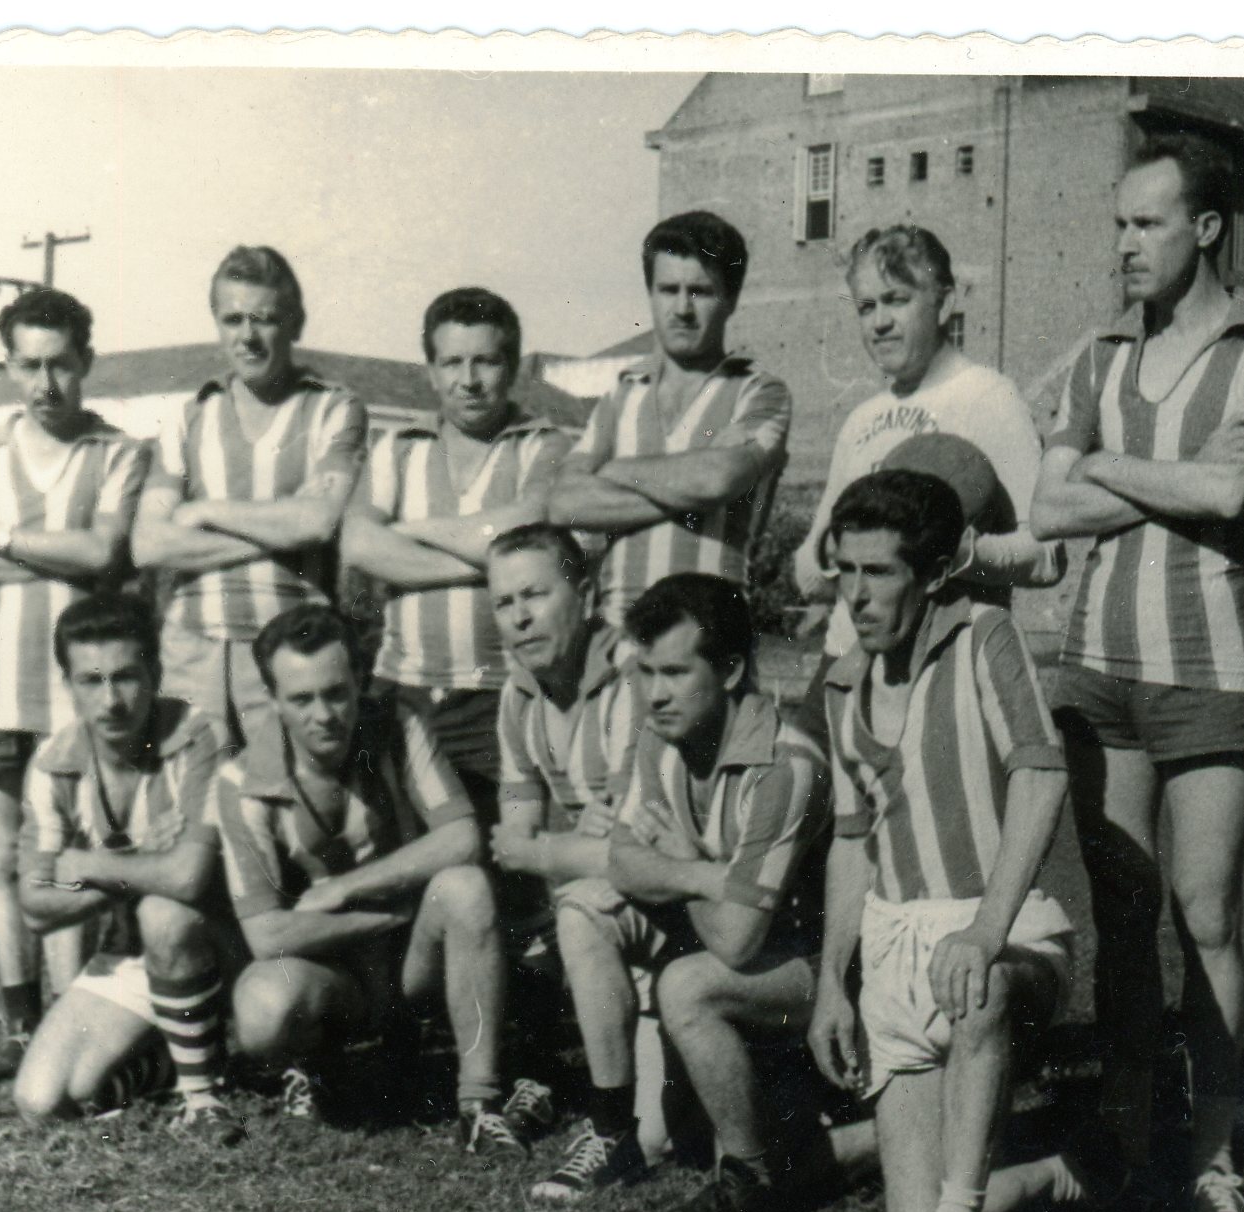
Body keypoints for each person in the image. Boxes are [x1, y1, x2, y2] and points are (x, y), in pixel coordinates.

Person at [1030, 131, 1244, 1212]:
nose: (1126, 245)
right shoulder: (1099, 354)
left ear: (1207, 228)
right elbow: (1048, 508)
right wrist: (1161, 479)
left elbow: (1231, 495)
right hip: (1098, 665)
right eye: (1119, 224)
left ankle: (1214, 1152)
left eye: (1147, 223)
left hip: (1210, 665)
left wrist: (1101, 462)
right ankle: (1130, 1135)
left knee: (1206, 913)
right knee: (1124, 915)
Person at [807, 470, 1087, 1212]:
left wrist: (984, 932)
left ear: (932, 574)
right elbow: (851, 843)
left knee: (980, 990)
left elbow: (1042, 776)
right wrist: (831, 984)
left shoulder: (983, 636)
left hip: (999, 933)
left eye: (879, 572)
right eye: (844, 571)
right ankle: (1055, 1172)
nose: (856, 594)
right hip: (894, 952)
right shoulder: (841, 683)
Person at [208, 604, 548, 1153]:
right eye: (301, 699)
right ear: (273, 700)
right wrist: (390, 913)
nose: (324, 715)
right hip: (333, 972)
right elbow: (266, 935)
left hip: (411, 959)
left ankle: (479, 1104)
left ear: (360, 682)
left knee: (466, 888)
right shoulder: (241, 780)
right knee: (262, 1009)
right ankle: (319, 1064)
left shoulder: (398, 723)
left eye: (336, 693)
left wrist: (346, 888)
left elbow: (462, 836)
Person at [544, 573, 830, 1212]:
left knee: (687, 986)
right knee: (583, 908)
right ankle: (612, 1125)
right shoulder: (662, 735)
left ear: (730, 671)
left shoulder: (783, 765)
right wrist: (704, 875)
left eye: (675, 672)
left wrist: (681, 863)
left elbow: (737, 941)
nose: (654, 694)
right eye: (645, 672)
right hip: (724, 926)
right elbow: (622, 861)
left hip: (818, 970)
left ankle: (751, 1175)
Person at [0, 287, 151, 1085]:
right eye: (28, 365)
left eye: (59, 364)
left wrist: (0, 535)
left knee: (71, 856)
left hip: (79, 690)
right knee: (4, 856)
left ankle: (72, 1022)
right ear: (7, 366)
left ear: (85, 362)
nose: (44, 383)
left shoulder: (116, 453)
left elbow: (103, 554)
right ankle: (19, 1028)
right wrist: (57, 553)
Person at [10, 594, 245, 1144]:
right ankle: (180, 1054)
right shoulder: (53, 763)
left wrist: (87, 865)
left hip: (223, 944)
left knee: (166, 912)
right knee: (44, 1100)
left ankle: (201, 1096)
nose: (111, 701)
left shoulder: (198, 735)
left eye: (126, 677)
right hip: (131, 951)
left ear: (156, 674)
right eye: (91, 681)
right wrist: (137, 860)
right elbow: (36, 905)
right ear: (68, 685)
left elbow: (188, 879)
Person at [476, 524, 668, 1198]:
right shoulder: (517, 693)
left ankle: (609, 1127)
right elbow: (513, 833)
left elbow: (628, 848)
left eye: (535, 594)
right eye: (504, 603)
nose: (520, 617)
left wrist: (547, 849)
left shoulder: (631, 676)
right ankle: (548, 1074)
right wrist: (561, 846)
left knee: (662, 1138)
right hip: (599, 897)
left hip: (677, 900)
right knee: (516, 902)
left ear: (584, 596)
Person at [342, 288, 573, 825]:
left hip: (504, 695)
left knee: (502, 850)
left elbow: (530, 524)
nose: (468, 380)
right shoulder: (398, 448)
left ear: (512, 367)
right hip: (403, 694)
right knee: (408, 846)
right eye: (452, 362)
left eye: (485, 361)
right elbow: (358, 545)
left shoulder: (542, 446)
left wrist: (408, 531)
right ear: (430, 370)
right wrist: (491, 562)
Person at [132, 245, 367, 752]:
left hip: (296, 652)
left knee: (284, 793)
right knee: (193, 792)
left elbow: (318, 522)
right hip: (192, 650)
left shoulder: (331, 409)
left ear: (296, 323)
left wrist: (204, 511)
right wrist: (280, 530)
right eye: (233, 319)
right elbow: (149, 545)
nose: (248, 337)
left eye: (264, 319)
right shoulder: (188, 417)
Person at [795, 225, 1062, 668]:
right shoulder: (861, 419)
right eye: (866, 307)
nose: (880, 322)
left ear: (945, 302)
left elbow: (1048, 555)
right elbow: (810, 573)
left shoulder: (988, 398)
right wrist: (831, 557)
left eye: (897, 300)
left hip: (941, 668)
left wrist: (960, 553)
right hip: (846, 661)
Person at [549, 211, 791, 631]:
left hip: (709, 638)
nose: (682, 309)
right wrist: (693, 491)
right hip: (619, 638)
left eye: (700, 291)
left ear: (731, 300)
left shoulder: (758, 391)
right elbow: (563, 503)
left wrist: (610, 471)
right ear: (651, 294)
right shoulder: (622, 395)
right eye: (668, 290)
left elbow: (716, 480)